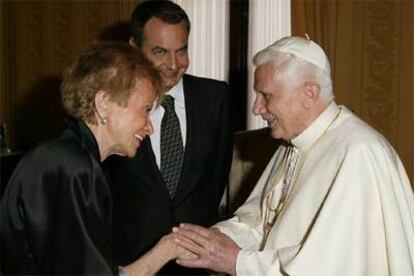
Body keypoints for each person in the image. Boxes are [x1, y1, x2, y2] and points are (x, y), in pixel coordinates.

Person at [173, 36, 414, 275]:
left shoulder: (358, 152)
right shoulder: (293, 144)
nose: (257, 108)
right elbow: (260, 224)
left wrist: (237, 262)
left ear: (309, 93)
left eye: (266, 96)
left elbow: (327, 266)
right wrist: (214, 238)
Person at [0, 41, 192, 275]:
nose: (149, 127)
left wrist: (169, 247)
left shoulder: (68, 158)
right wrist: (167, 250)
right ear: (103, 104)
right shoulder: (72, 167)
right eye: (145, 110)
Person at [104, 1, 232, 274]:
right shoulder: (111, 105)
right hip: (129, 262)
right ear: (134, 49)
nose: (173, 65)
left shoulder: (215, 98)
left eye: (182, 50)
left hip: (194, 264)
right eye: (160, 51)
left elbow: (216, 180)